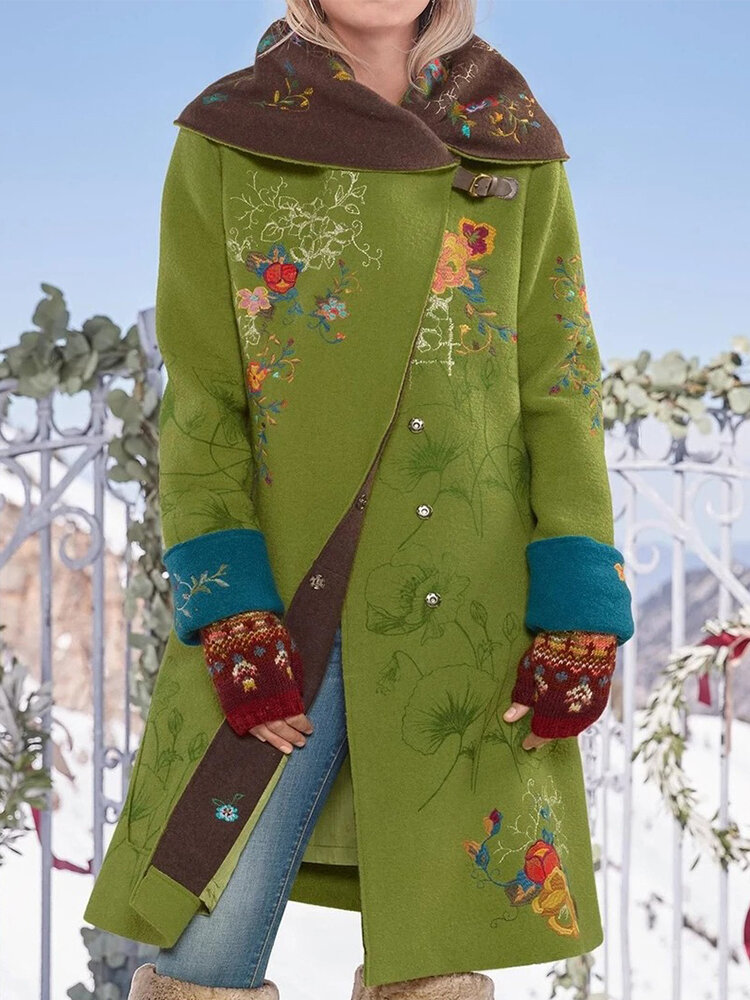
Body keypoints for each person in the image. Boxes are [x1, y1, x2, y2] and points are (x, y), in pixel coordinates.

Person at [83, 2, 635, 998]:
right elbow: (203, 400)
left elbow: (560, 385)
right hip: (287, 594)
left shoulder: (509, 135)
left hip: (464, 608)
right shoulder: (230, 134)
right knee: (205, 933)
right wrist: (230, 607)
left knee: (435, 945)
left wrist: (580, 603)